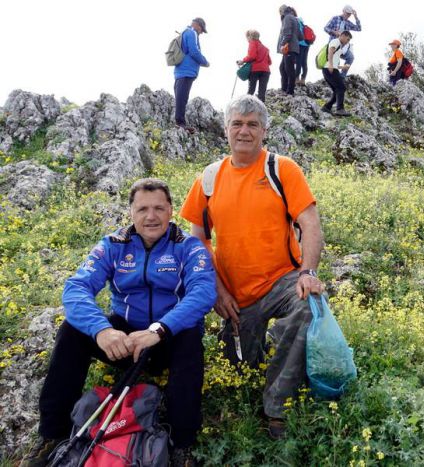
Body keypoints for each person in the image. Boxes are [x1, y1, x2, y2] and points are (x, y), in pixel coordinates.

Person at [20, 179, 217, 467]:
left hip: (166, 337)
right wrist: (102, 331)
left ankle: (181, 443)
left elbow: (203, 293)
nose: (151, 216)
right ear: (131, 212)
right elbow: (76, 288)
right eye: (143, 209)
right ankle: (52, 434)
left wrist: (158, 330)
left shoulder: (188, 247)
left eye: (159, 208)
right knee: (72, 331)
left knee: (189, 340)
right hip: (124, 339)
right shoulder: (113, 245)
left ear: (171, 210)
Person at [179, 95, 325, 440]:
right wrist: (216, 289)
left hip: (282, 281)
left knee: (308, 306)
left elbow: (311, 224)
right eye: (237, 124)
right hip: (234, 296)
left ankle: (277, 409)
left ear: (264, 131)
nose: (244, 131)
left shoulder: (282, 169)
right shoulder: (209, 179)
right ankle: (268, 344)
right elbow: (197, 239)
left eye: (252, 125)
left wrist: (308, 273)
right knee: (240, 368)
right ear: (226, 129)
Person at [174, 17, 210, 133]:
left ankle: (180, 122)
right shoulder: (192, 33)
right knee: (182, 97)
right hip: (187, 71)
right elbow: (194, 51)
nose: (201, 33)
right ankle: (180, 123)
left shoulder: (185, 32)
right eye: (202, 30)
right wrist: (205, 62)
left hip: (180, 70)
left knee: (181, 97)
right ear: (198, 26)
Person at [323, 5, 361, 78]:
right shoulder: (335, 18)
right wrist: (334, 32)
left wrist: (356, 17)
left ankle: (342, 76)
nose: (348, 15)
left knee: (350, 57)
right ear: (343, 11)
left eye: (350, 14)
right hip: (334, 46)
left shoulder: (348, 23)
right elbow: (325, 28)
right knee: (333, 63)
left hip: (343, 47)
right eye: (347, 13)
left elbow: (359, 28)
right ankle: (330, 77)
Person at [321, 31, 352, 117]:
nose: (347, 41)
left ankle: (327, 107)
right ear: (343, 36)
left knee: (337, 90)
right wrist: (330, 64)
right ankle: (340, 109)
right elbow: (330, 51)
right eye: (347, 39)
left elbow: (334, 63)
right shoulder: (336, 41)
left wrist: (343, 67)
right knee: (341, 88)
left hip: (330, 69)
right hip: (329, 69)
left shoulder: (339, 46)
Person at [238, 30, 272, 102]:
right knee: (262, 92)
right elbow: (269, 62)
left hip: (255, 69)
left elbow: (252, 56)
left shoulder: (252, 43)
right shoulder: (265, 48)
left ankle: (247, 107)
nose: (247, 40)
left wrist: (242, 61)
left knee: (251, 90)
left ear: (250, 36)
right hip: (266, 71)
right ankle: (261, 110)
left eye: (247, 37)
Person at [277, 5, 303, 95]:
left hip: (289, 48)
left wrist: (282, 44)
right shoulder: (294, 18)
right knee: (283, 68)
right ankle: (284, 88)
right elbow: (301, 36)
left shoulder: (287, 18)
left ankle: (290, 91)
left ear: (281, 11)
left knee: (289, 69)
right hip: (293, 47)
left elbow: (287, 34)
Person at [294, 10, 310, 86]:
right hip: (307, 44)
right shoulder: (302, 22)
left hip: (300, 44)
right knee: (304, 62)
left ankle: (297, 78)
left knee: (298, 62)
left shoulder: (296, 21)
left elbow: (298, 34)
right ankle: (303, 79)